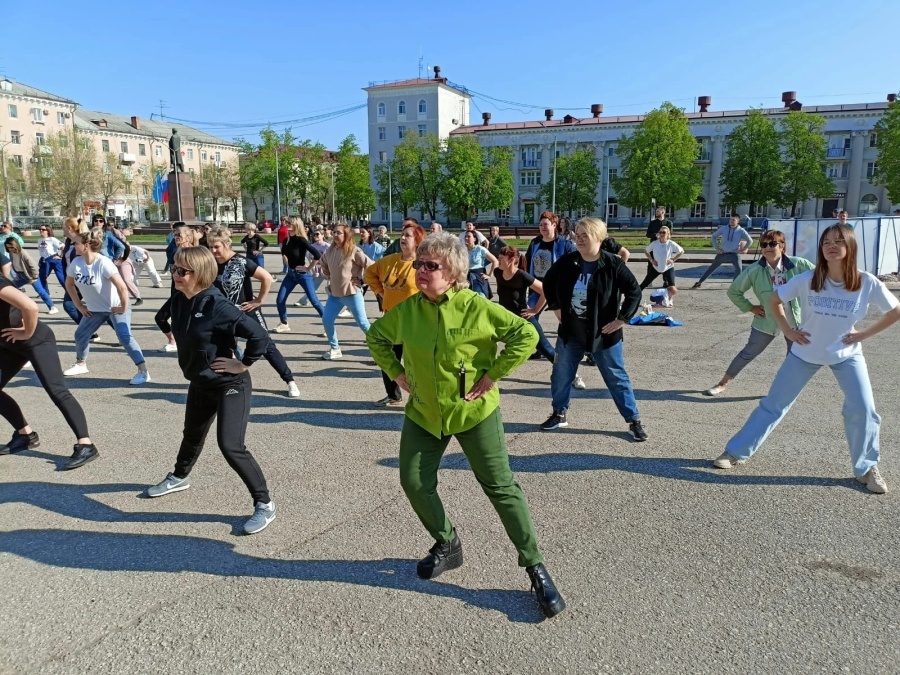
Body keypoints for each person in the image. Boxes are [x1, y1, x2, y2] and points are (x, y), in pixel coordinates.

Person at [366, 232, 565, 618]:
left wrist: (493, 375)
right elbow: (377, 337)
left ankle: (534, 565)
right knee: (413, 481)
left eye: (431, 265)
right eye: (419, 263)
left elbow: (525, 334)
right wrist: (396, 372)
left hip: (474, 412)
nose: (421, 270)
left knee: (500, 486)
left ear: (454, 272)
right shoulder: (409, 310)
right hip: (425, 413)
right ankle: (447, 543)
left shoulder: (476, 306)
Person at [713, 225, 900, 495]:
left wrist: (863, 335)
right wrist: (788, 331)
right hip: (804, 354)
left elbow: (894, 310)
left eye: (838, 241)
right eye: (826, 242)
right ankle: (735, 452)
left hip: (846, 355)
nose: (831, 246)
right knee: (773, 405)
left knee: (864, 409)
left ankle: (867, 468)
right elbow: (775, 300)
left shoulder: (866, 282)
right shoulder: (808, 278)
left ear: (850, 246)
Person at [145, 246, 277, 534]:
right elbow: (161, 318)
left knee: (230, 445)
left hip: (230, 384)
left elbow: (259, 335)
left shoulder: (218, 306)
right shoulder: (179, 299)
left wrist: (243, 364)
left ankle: (264, 504)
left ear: (201, 273)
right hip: (200, 382)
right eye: (174, 268)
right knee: (191, 435)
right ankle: (179, 477)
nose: (175, 274)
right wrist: (176, 339)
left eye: (183, 271)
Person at [540, 218, 647, 441]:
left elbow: (634, 292)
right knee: (561, 374)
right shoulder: (568, 262)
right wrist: (556, 307)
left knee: (616, 377)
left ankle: (633, 420)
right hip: (571, 332)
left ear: (598, 238)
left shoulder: (613, 264)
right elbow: (548, 281)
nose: (578, 240)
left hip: (604, 334)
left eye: (584, 236)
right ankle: (559, 413)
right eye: (577, 236)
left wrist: (621, 319)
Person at [0, 274, 99, 469]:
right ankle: (25, 435)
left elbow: (30, 307)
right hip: (9, 345)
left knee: (57, 390)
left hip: (37, 341)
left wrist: (26, 332)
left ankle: (86, 445)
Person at [703, 230, 814, 397]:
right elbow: (734, 291)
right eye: (764, 244)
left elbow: (821, 278)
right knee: (748, 353)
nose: (768, 247)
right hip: (767, 320)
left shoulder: (799, 264)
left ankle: (782, 389)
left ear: (782, 246)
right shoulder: (755, 270)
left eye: (773, 243)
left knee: (794, 358)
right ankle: (722, 383)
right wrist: (750, 307)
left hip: (794, 322)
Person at [206, 227, 300, 398]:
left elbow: (266, 278)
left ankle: (289, 380)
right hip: (224, 314)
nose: (213, 251)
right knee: (224, 347)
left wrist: (259, 300)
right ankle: (228, 384)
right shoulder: (211, 263)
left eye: (216, 247)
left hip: (246, 311)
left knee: (266, 346)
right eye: (210, 247)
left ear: (226, 244)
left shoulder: (241, 262)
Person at [63, 230, 150, 385]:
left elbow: (122, 287)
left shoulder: (103, 263)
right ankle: (81, 364)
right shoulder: (77, 262)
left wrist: (123, 307)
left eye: (76, 243)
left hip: (115, 307)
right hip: (95, 309)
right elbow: (69, 285)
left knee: (124, 337)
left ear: (86, 245)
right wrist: (79, 305)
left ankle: (143, 372)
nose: (73, 245)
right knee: (81, 334)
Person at [364, 222, 426, 406]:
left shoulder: (422, 264)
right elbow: (370, 273)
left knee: (416, 363)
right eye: (402, 235)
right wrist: (380, 292)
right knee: (388, 359)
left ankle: (422, 397)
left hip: (415, 321)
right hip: (391, 319)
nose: (403, 238)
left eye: (408, 235)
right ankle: (393, 396)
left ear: (417, 241)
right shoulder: (390, 260)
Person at [524, 211, 576, 363]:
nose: (542, 227)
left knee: (568, 322)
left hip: (558, 290)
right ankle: (542, 349)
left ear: (554, 225)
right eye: (540, 225)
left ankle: (587, 352)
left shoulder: (565, 245)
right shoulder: (535, 243)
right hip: (537, 288)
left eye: (545, 224)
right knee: (529, 318)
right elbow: (527, 262)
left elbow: (575, 266)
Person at [320, 223, 373, 360]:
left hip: (352, 294)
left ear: (346, 235)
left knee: (364, 324)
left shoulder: (354, 251)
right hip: (335, 295)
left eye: (338, 233)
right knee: (326, 320)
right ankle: (335, 349)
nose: (335, 235)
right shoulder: (330, 250)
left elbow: (372, 266)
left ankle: (381, 351)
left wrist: (363, 280)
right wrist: (328, 274)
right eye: (334, 232)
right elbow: (323, 262)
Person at [495, 246, 553, 359]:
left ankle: (566, 369)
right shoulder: (498, 272)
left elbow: (545, 291)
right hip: (505, 318)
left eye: (501, 258)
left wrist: (535, 310)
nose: (498, 260)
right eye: (498, 257)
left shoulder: (521, 275)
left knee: (545, 348)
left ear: (511, 260)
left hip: (522, 317)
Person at [272, 217, 324, 333]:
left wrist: (308, 268)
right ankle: (284, 323)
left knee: (314, 300)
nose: (287, 224)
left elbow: (317, 255)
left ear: (296, 225)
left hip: (302, 275)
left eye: (290, 223)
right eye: (287, 222)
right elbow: (284, 254)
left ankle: (328, 324)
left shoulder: (301, 240)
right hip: (291, 275)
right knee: (280, 299)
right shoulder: (286, 240)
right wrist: (288, 265)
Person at [155, 225, 202, 352]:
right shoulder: (176, 252)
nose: (175, 237)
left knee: (188, 323)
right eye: (174, 235)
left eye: (179, 235)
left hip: (188, 293)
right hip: (176, 292)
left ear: (188, 237)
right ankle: (174, 342)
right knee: (162, 318)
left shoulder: (193, 253)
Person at [692, 215, 753, 288]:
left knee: (739, 269)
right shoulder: (724, 228)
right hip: (722, 253)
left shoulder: (741, 231)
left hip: (734, 254)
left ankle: (734, 286)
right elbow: (714, 236)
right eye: (730, 219)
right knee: (711, 268)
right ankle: (699, 282)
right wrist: (717, 248)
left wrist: (742, 249)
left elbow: (750, 241)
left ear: (738, 221)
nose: (731, 221)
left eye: (733, 220)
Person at [4, 238, 57, 314]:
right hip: (20, 275)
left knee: (40, 291)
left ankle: (52, 307)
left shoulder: (23, 253)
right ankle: (12, 306)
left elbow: (33, 265)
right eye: (8, 247)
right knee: (10, 288)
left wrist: (35, 275)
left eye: (12, 247)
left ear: (16, 245)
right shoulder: (11, 253)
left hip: (30, 275)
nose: (10, 249)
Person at [640, 226, 684, 306]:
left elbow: (681, 251)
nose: (662, 234)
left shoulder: (671, 243)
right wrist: (652, 260)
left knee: (672, 287)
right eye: (660, 232)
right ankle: (632, 299)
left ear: (668, 234)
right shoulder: (655, 243)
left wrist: (673, 260)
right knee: (644, 284)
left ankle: (670, 300)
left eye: (664, 232)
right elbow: (646, 251)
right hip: (656, 267)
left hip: (668, 267)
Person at [464, 230, 498, 298]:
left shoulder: (480, 249)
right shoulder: (463, 250)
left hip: (478, 277)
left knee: (480, 297)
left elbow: (495, 261)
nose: (466, 238)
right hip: (466, 278)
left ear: (474, 238)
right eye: (465, 236)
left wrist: (490, 275)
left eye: (469, 236)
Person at [37, 225, 65, 294]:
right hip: (44, 260)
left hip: (53, 259)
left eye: (43, 229)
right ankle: (45, 293)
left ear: (48, 231)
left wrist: (61, 256)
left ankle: (71, 293)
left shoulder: (52, 239)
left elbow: (63, 246)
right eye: (40, 229)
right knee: (41, 277)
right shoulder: (40, 240)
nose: (41, 231)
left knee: (61, 278)